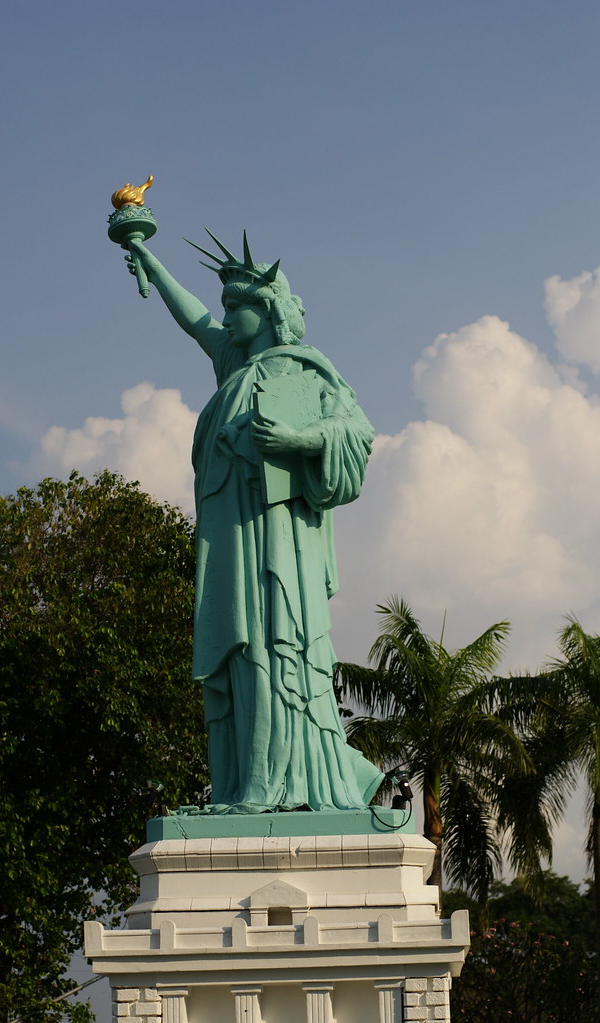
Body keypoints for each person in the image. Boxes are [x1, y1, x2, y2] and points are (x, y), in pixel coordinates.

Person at [126, 231, 383, 813]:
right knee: (241, 648)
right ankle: (246, 783)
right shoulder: (236, 367)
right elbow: (193, 321)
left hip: (282, 536)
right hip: (232, 535)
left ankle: (295, 783)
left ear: (265, 311)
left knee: (278, 643)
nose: (225, 319)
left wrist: (296, 438)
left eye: (236, 308)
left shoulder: (306, 371)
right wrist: (146, 257)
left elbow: (357, 432)